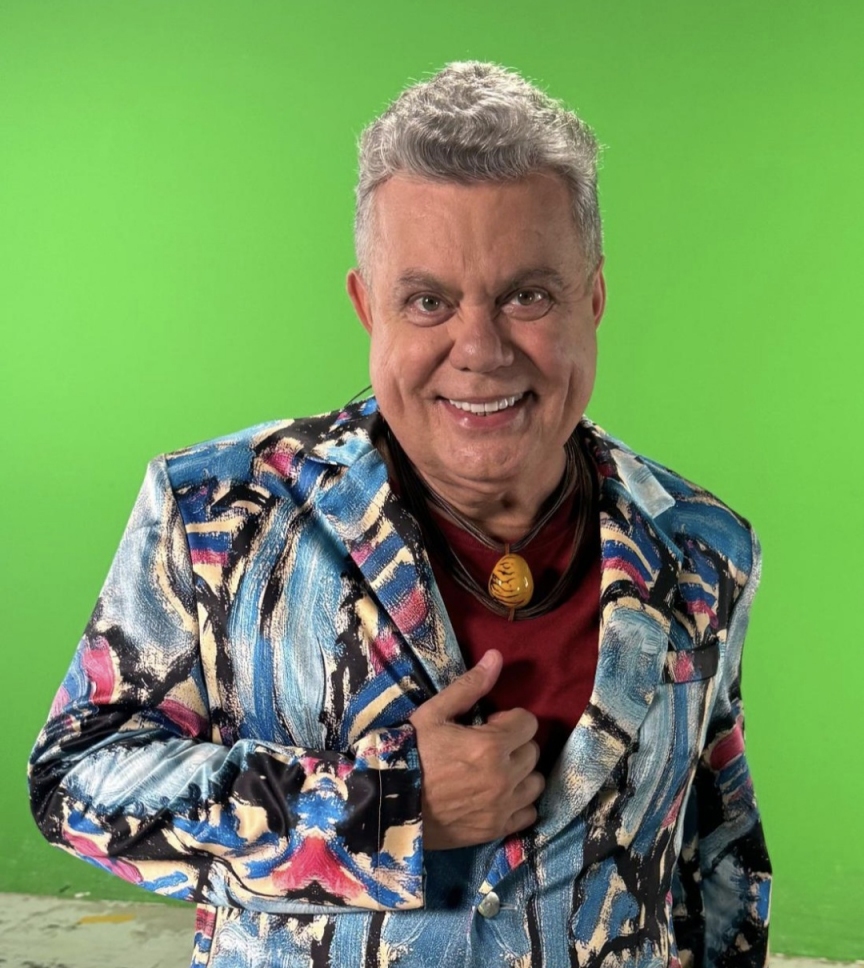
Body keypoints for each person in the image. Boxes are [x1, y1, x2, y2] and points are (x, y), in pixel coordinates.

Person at [29, 61, 771, 967]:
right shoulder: (216, 513)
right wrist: (382, 808)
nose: (480, 350)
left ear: (594, 298)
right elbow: (74, 783)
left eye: (527, 296)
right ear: (366, 306)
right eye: (428, 301)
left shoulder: (700, 546)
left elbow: (717, 857)